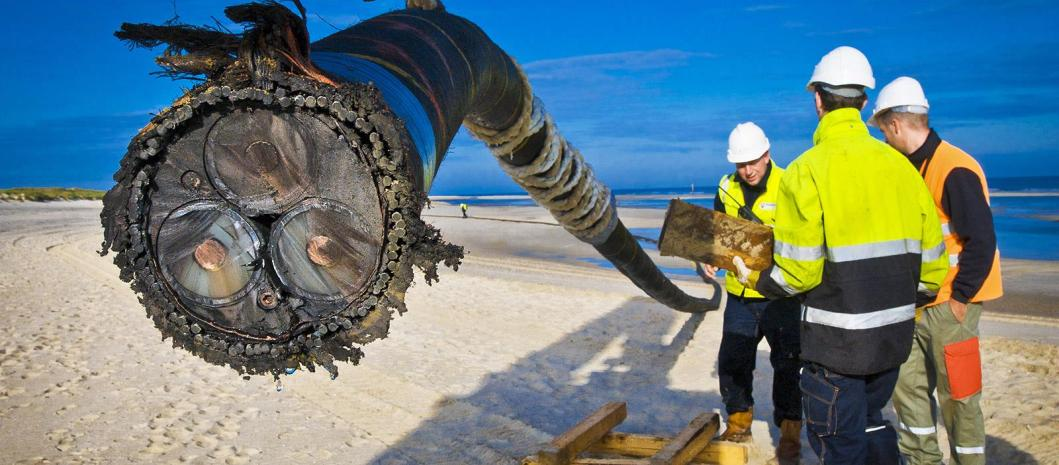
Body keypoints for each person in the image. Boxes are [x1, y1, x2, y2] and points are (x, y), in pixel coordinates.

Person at [736, 46, 950, 465]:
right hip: (891, 343)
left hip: (837, 351)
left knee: (841, 447)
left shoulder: (806, 169)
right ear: (865, 101)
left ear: (817, 99)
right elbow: (932, 271)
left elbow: (797, 273)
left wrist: (753, 279)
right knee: (872, 426)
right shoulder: (902, 167)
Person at [870, 76, 1002, 465]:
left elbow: (981, 240)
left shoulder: (953, 167)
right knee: (908, 395)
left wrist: (960, 299)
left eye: (883, 131)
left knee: (960, 399)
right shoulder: (905, 169)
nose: (883, 139)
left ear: (894, 124)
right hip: (911, 306)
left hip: (949, 308)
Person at [703, 122, 802, 465]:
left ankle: (790, 435)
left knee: (788, 365)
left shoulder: (789, 183)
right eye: (741, 164)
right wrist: (709, 260)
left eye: (753, 162)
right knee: (733, 360)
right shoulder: (725, 187)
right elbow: (716, 234)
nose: (748, 170)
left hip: (780, 295)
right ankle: (739, 422)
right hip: (740, 296)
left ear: (767, 154)